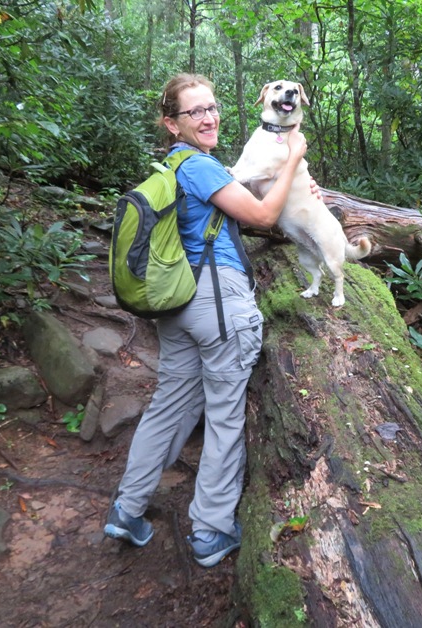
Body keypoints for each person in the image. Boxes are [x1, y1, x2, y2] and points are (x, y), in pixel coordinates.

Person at [104, 73, 307, 568]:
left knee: (168, 408)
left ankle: (127, 511)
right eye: (194, 112)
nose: (209, 117)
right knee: (223, 417)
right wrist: (295, 159)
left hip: (177, 307)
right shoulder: (201, 166)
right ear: (171, 124)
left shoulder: (173, 166)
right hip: (218, 303)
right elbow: (260, 215)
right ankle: (212, 530)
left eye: (212, 107)